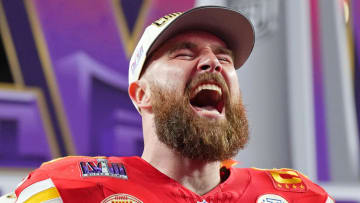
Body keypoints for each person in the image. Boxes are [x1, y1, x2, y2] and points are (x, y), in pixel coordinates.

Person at [7, 6, 334, 203]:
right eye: (185, 54)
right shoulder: (68, 189)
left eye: (224, 58)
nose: (212, 63)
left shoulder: (300, 196)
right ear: (141, 95)